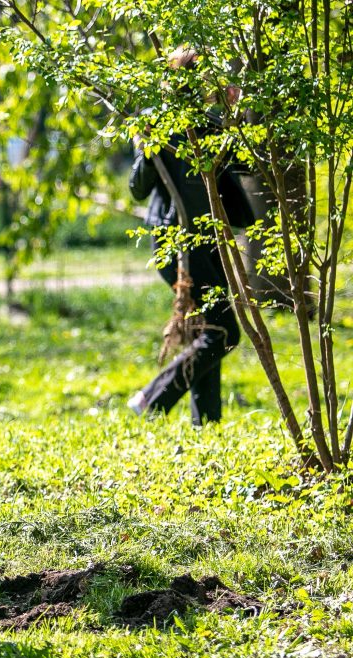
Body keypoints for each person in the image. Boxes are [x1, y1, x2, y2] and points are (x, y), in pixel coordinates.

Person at [126, 48, 252, 426]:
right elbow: (137, 187)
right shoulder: (160, 127)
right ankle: (152, 398)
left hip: (208, 244)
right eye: (205, 78)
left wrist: (236, 117)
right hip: (177, 244)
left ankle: (207, 426)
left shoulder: (210, 125)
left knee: (206, 331)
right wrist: (148, 148)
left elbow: (247, 163)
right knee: (223, 331)